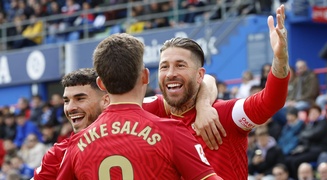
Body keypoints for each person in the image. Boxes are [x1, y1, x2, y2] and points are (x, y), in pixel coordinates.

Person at [143, 4, 290, 179]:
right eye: (164, 67)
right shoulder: (151, 112)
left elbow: (270, 102)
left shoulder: (223, 115)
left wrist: (280, 59)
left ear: (199, 75)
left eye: (180, 65)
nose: (170, 74)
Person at [56, 33, 222, 179]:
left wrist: (203, 103)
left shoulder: (77, 143)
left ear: (101, 84)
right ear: (145, 76)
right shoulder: (172, 133)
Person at [34, 67, 218, 179]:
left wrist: (203, 106)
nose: (70, 108)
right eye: (66, 101)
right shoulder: (59, 153)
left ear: (106, 99)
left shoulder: (141, 112)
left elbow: (205, 81)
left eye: (80, 98)